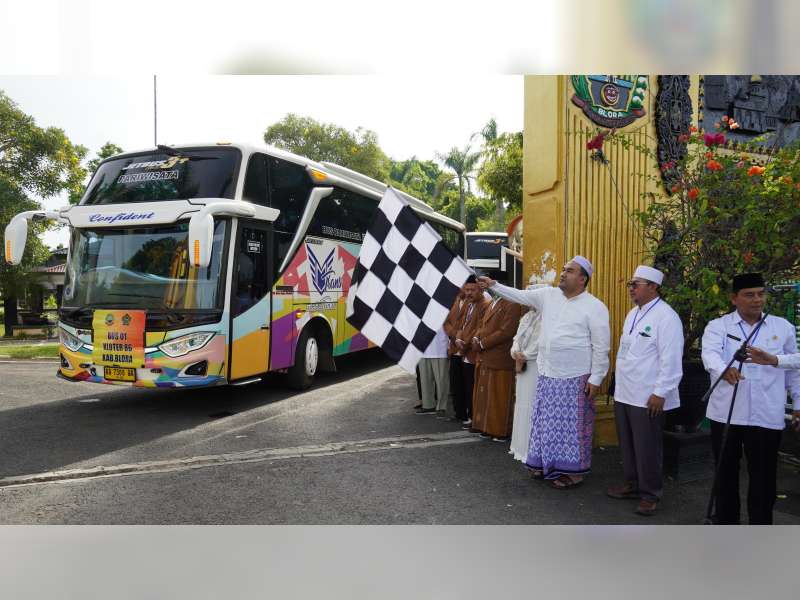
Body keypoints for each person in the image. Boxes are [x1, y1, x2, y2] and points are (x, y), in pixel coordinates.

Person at [477, 256, 610, 489]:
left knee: (570, 429)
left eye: (569, 271)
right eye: (563, 269)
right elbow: (519, 295)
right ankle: (542, 464)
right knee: (545, 423)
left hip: (575, 378)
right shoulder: (548, 296)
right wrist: (494, 286)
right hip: (548, 374)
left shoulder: (595, 307)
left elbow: (602, 347)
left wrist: (597, 378)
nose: (563, 273)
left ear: (582, 279)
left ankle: (573, 473)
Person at [701, 272, 800, 524]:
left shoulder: (782, 327)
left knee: (764, 479)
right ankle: (726, 527)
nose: (757, 300)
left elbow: (796, 368)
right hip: (727, 414)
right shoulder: (718, 326)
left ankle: (760, 533)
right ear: (734, 299)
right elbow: (709, 355)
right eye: (749, 295)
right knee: (725, 477)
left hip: (766, 415)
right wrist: (724, 369)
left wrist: (776, 362)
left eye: (760, 294)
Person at [606, 265, 683, 516]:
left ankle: (650, 494)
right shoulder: (633, 314)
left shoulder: (666, 317)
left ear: (653, 287)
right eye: (630, 284)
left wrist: (661, 392)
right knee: (628, 444)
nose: (630, 289)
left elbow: (671, 359)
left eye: (635, 284)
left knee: (647, 447)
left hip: (648, 395)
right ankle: (632, 483)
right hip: (625, 392)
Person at [470, 290, 523, 441]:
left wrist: (482, 343)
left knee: (500, 396)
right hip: (486, 355)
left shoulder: (512, 303)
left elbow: (507, 331)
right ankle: (487, 427)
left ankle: (501, 431)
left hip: (500, 356)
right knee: (487, 396)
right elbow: (482, 325)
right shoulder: (494, 301)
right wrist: (476, 337)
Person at [508, 279, 546, 461]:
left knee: (533, 406)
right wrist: (515, 352)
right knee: (522, 404)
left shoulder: (548, 317)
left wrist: (525, 355)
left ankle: (531, 449)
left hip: (536, 367)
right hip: (522, 365)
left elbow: (541, 343)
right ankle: (519, 447)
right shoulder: (527, 317)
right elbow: (517, 338)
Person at [454, 276, 489, 428]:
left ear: (480, 289)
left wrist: (465, 343)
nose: (468, 293)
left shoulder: (485, 304)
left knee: (473, 388)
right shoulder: (469, 304)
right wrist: (458, 338)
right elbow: (462, 325)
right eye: (466, 289)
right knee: (467, 387)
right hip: (464, 352)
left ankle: (475, 418)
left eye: (472, 290)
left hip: (473, 353)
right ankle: (469, 416)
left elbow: (479, 328)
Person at [416, 326, 451, 416]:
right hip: (422, 348)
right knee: (425, 380)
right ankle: (428, 405)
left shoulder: (445, 311)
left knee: (442, 381)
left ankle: (441, 407)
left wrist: (450, 344)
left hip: (439, 348)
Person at [443, 287, 467, 420]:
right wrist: (454, 335)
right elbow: (446, 322)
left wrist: (461, 338)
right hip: (454, 348)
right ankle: (459, 413)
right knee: (455, 383)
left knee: (467, 384)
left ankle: (469, 414)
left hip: (467, 349)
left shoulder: (477, 302)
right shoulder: (453, 301)